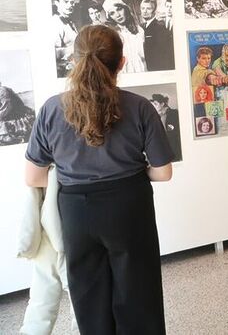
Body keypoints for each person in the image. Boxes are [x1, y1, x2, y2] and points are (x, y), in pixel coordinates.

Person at [24, 25, 173, 334]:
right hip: (129, 206)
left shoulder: (52, 109)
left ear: (75, 59)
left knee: (89, 297)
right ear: (121, 62)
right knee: (139, 293)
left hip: (77, 211)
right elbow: (163, 172)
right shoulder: (141, 107)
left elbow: (33, 176)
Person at [17, 167, 78, 334]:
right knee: (81, 294)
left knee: (42, 295)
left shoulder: (47, 142)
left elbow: (32, 179)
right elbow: (32, 178)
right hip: (68, 223)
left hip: (50, 222)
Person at [102, 0, 147, 73]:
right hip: (122, 72)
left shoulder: (139, 30)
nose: (117, 15)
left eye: (119, 9)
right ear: (110, 17)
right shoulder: (110, 34)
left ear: (125, 9)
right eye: (112, 13)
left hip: (141, 69)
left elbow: (143, 56)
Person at [140, 0, 172, 71]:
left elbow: (164, 54)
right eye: (142, 8)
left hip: (155, 68)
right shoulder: (141, 26)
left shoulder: (160, 27)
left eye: (148, 8)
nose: (145, 11)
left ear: (154, 11)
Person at [52, 0, 78, 77]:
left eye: (72, 2)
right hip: (66, 71)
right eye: (66, 2)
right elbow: (54, 53)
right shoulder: (55, 23)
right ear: (57, 3)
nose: (70, 5)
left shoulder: (70, 22)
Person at [0, 80, 35, 145]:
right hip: (8, 118)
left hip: (20, 120)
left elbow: (6, 109)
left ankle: (18, 139)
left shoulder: (3, 91)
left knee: (5, 137)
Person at [150, 94, 182, 162]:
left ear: (162, 104)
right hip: (161, 151)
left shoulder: (174, 113)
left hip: (175, 150)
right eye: (153, 104)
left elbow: (178, 133)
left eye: (155, 104)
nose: (153, 106)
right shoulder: (155, 116)